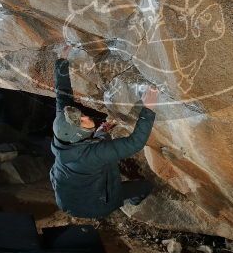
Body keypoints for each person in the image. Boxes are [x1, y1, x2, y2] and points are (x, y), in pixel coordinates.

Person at [49, 45, 158, 219]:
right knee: (145, 186)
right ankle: (133, 203)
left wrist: (62, 60)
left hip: (66, 199)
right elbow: (134, 143)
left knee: (102, 139)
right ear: (78, 136)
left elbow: (62, 95)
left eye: (81, 116)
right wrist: (148, 108)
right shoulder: (91, 155)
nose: (86, 117)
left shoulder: (63, 127)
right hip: (95, 206)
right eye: (83, 123)